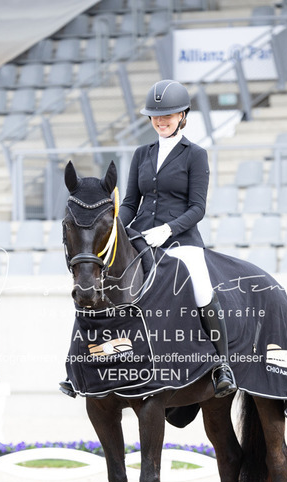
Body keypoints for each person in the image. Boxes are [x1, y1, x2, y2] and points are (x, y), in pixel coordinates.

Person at [118, 79, 236, 398]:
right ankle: (85, 365)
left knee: (201, 287)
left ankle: (222, 365)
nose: (161, 121)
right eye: (156, 116)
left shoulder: (195, 155)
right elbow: (130, 203)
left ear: (182, 115)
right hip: (141, 235)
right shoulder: (141, 153)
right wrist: (115, 230)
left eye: (167, 115)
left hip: (181, 239)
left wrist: (168, 229)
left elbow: (198, 208)